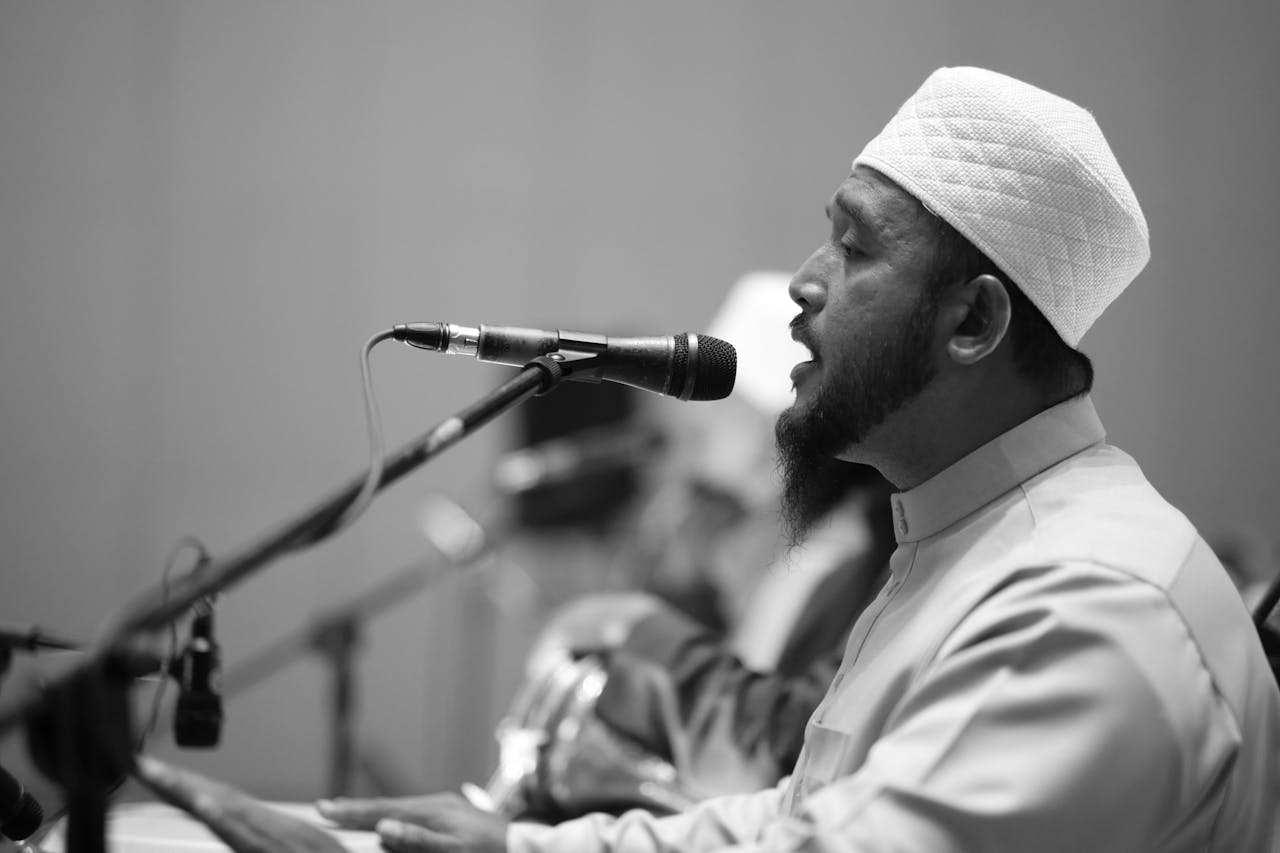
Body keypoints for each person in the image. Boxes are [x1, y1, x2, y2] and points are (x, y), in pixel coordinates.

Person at [142, 65, 1280, 851]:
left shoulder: (1088, 597)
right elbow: (800, 822)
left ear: (972, 322)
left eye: (851, 244)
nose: (801, 281)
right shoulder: (963, 547)